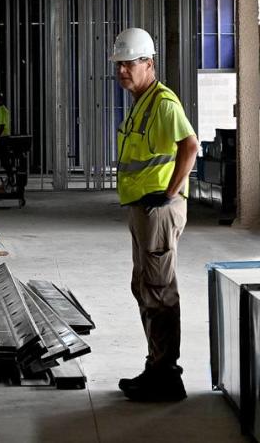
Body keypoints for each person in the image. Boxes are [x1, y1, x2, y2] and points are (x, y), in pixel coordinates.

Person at [111, 27, 198, 402]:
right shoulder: (141, 103)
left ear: (149, 62)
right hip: (143, 209)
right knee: (145, 286)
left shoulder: (163, 104)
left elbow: (190, 146)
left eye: (129, 64)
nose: (122, 72)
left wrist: (170, 191)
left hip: (159, 210)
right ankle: (155, 366)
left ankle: (166, 375)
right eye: (119, 66)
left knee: (160, 291)